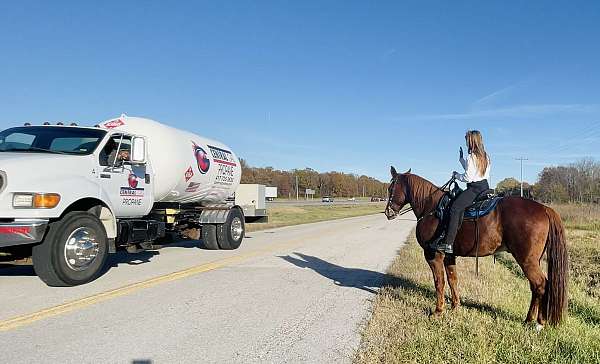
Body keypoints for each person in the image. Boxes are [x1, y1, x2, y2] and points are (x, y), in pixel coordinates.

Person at [438, 130, 491, 254]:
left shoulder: (472, 156)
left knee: (455, 208)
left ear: (471, 141)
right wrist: (461, 159)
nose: (466, 143)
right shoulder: (485, 156)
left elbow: (468, 177)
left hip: (474, 189)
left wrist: (456, 175)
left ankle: (449, 244)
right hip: (484, 186)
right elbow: (472, 169)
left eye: (467, 141)